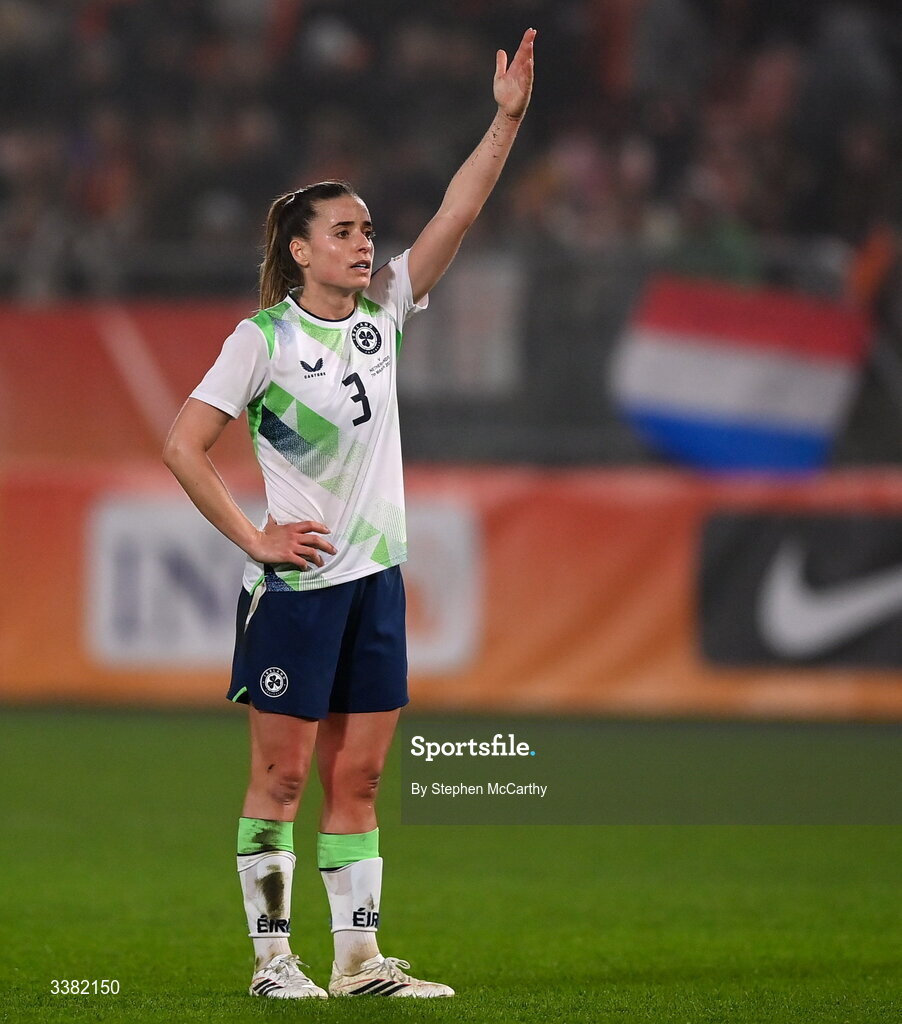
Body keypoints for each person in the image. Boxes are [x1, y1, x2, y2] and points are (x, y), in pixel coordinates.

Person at [162, 28, 535, 1000]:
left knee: (359, 781)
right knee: (280, 782)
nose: (365, 243)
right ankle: (272, 963)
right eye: (343, 231)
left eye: (369, 230)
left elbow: (460, 209)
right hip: (294, 589)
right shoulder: (262, 340)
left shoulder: (384, 316)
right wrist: (253, 538)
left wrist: (504, 120)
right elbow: (180, 445)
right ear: (297, 250)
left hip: (374, 580)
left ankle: (359, 960)